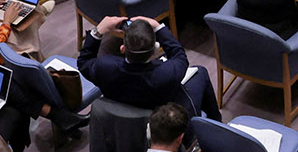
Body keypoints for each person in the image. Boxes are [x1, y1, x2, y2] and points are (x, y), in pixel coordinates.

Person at [77, 15, 217, 117]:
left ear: (123, 49)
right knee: (201, 73)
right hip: (161, 119)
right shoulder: (167, 73)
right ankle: (216, 124)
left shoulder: (105, 68)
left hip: (122, 115)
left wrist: (99, 30)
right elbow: (179, 55)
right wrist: (158, 27)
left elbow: (84, 62)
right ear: (154, 51)